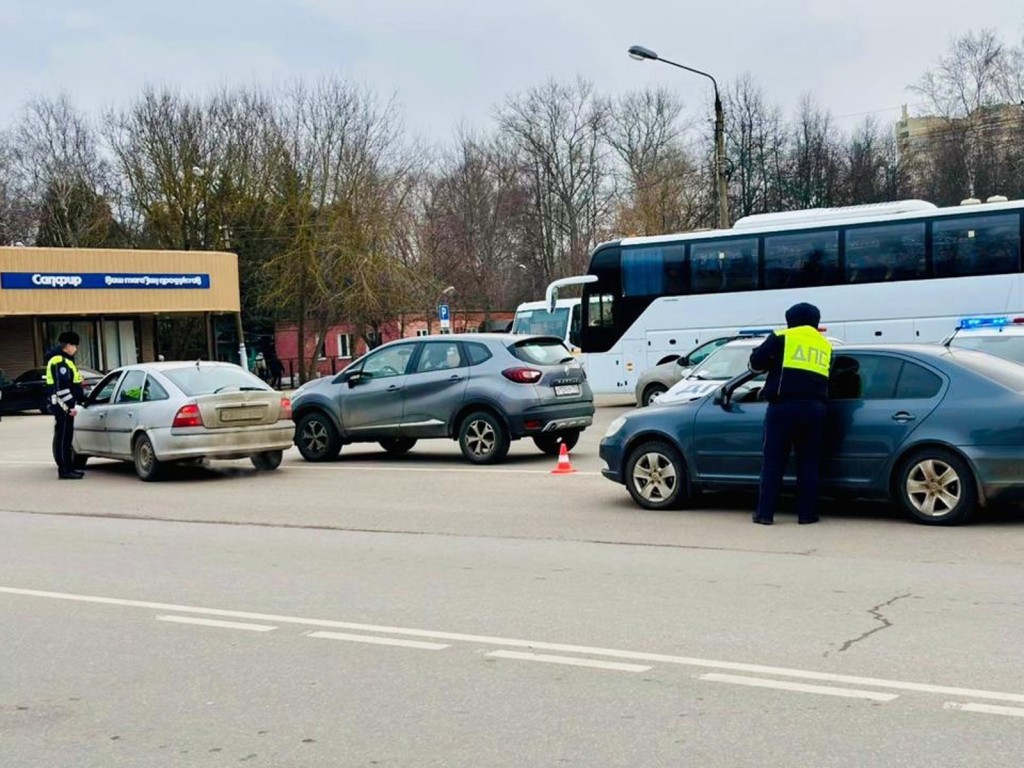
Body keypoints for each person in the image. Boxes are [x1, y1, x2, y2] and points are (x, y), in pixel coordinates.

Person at [748, 302, 833, 525]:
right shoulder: (824, 345)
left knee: (774, 461)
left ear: (790, 319)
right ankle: (807, 515)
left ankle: (765, 514)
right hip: (816, 409)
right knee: (809, 463)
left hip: (784, 407)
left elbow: (756, 363)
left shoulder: (782, 336)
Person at [45, 331, 87, 480]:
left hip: (64, 404)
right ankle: (65, 470)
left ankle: (68, 467)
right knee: (64, 437)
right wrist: (70, 406)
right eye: (75, 345)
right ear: (68, 345)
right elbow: (61, 387)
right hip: (62, 405)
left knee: (65, 436)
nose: (76, 348)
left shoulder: (64, 360)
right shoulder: (59, 361)